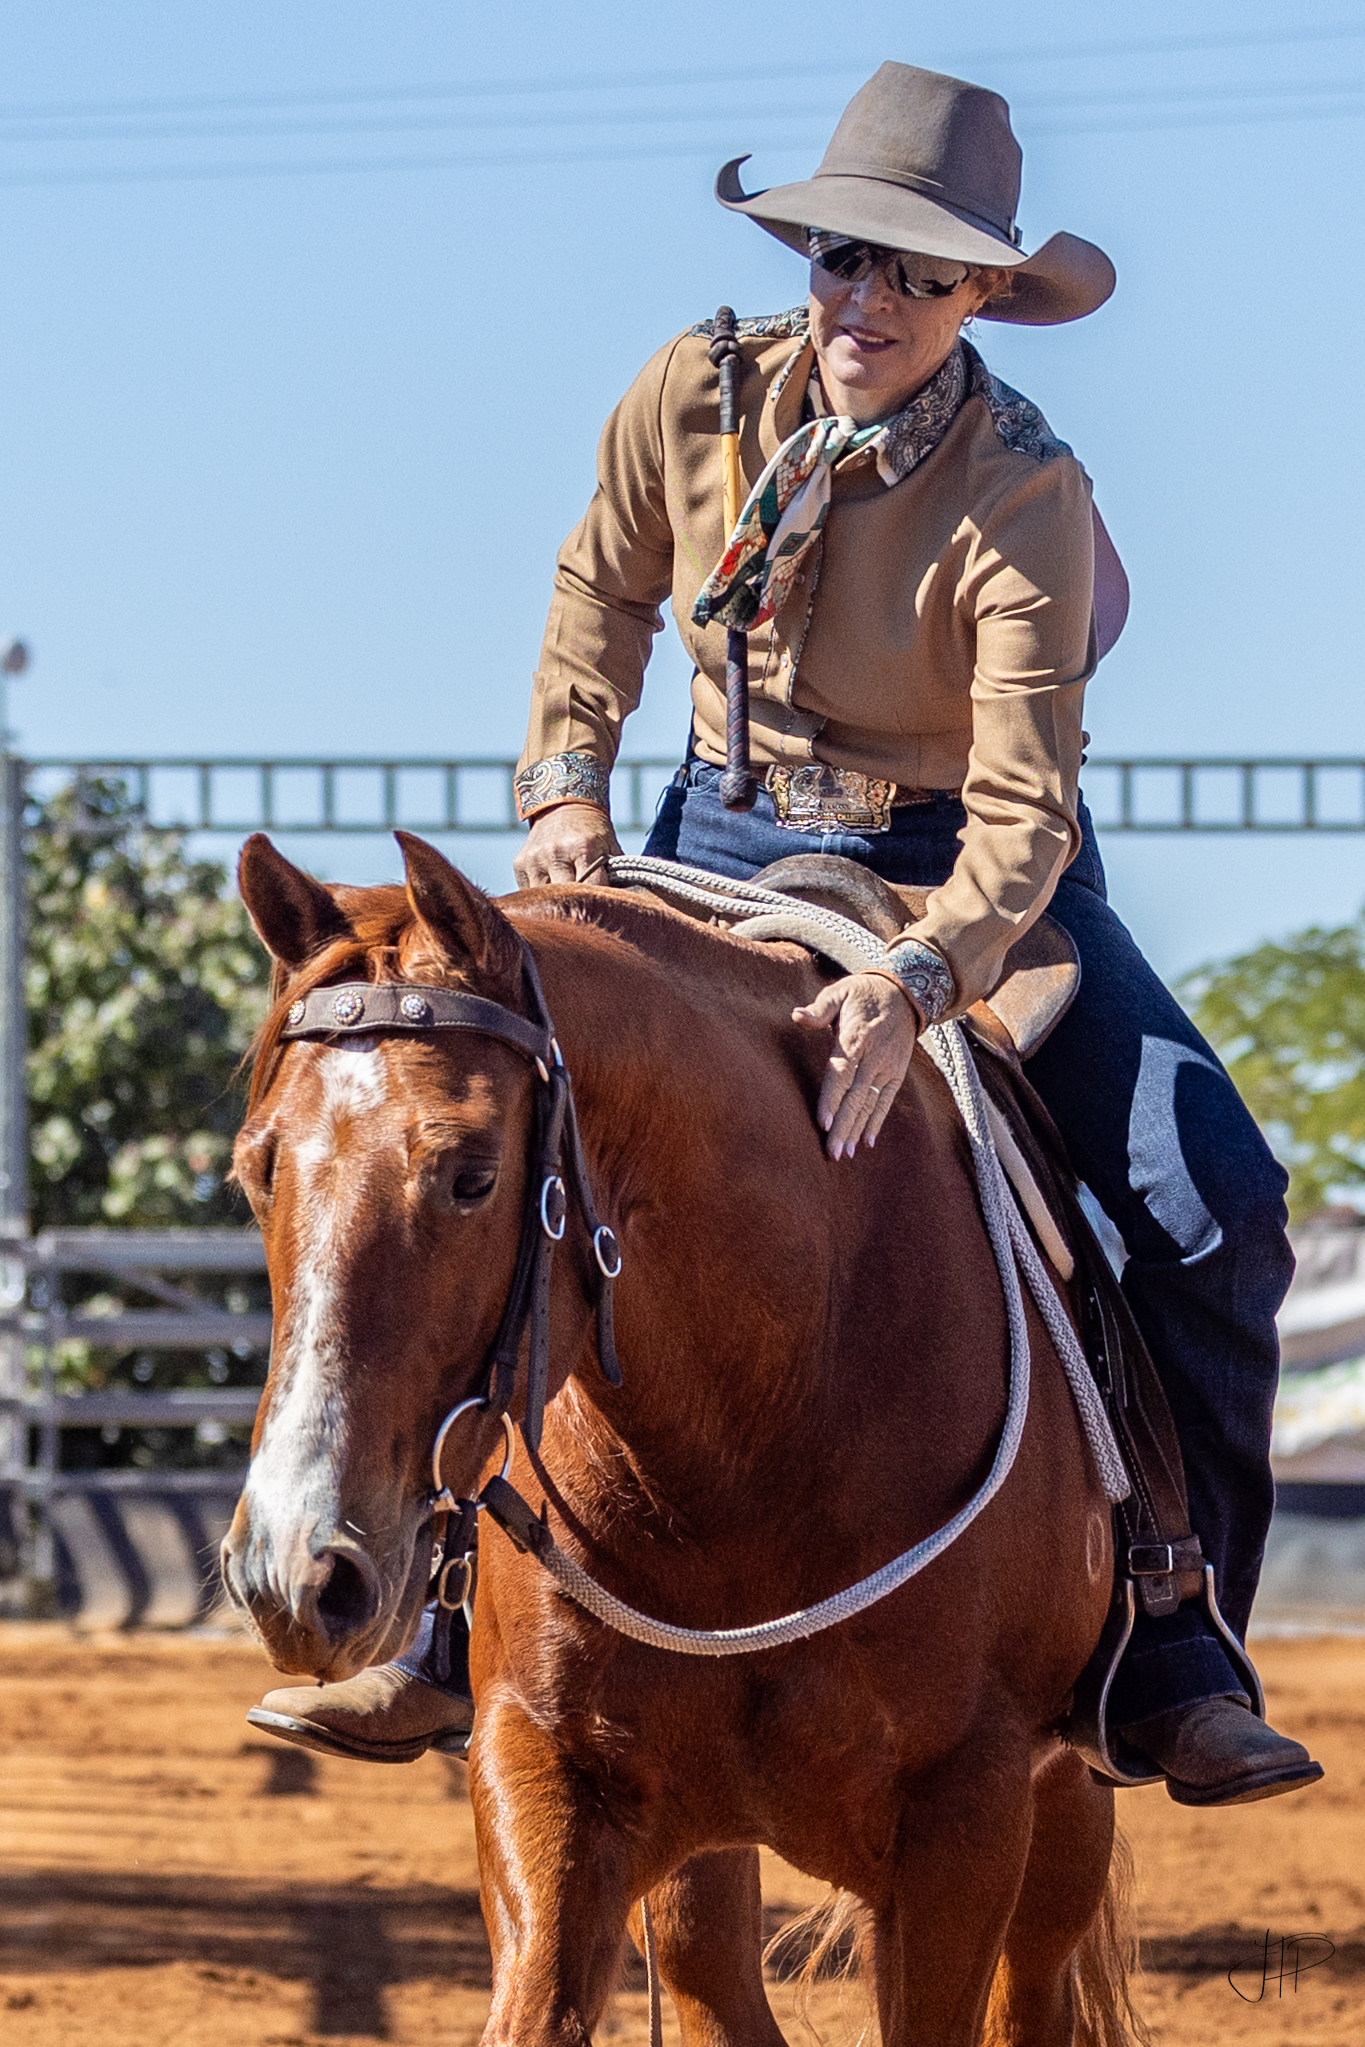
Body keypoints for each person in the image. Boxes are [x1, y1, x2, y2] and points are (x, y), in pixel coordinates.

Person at [252, 63, 1320, 1806]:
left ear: (980, 297)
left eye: (918, 271)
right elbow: (598, 586)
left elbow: (1025, 814)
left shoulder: (1025, 491)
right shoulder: (691, 389)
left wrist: (914, 981)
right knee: (508, 1136)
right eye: (841, 256)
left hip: (961, 867)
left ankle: (1173, 1635)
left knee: (1212, 1201)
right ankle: (447, 1619)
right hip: (707, 835)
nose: (866, 299)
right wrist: (562, 793)